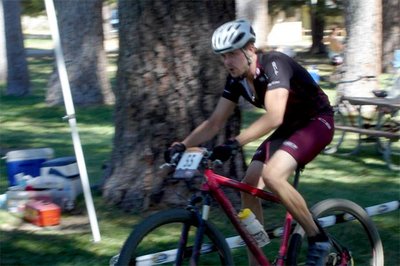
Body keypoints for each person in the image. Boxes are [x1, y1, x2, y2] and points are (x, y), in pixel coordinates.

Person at [165, 19, 334, 266]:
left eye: (232, 54)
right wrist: (182, 144)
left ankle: (318, 239)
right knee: (249, 184)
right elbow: (215, 122)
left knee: (274, 176)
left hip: (316, 121)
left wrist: (235, 143)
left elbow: (275, 115)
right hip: (290, 127)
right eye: (223, 56)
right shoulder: (236, 80)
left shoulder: (274, 64)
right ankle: (259, 259)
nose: (227, 62)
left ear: (250, 49)